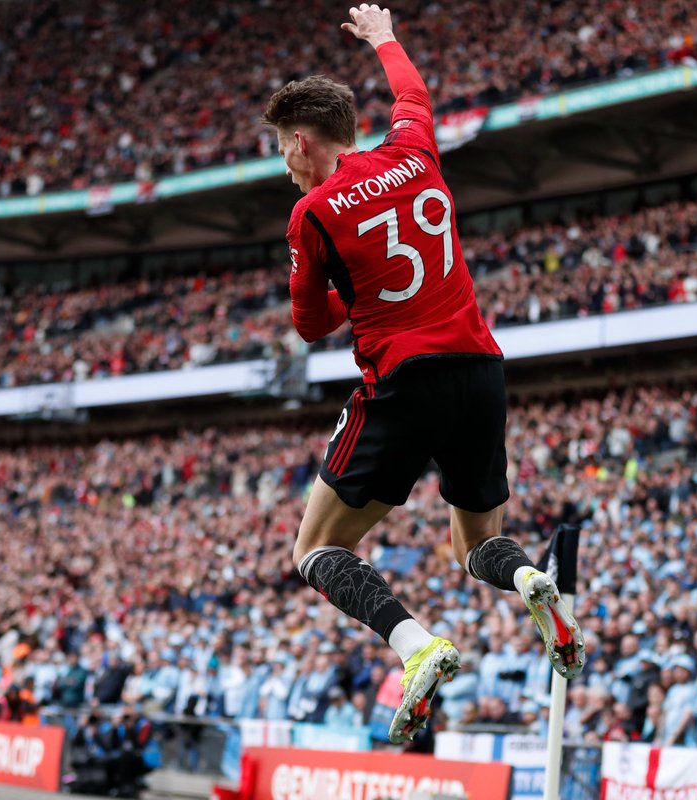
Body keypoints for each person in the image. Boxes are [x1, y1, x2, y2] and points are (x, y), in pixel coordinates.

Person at [262, 3, 585, 744]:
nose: (285, 161)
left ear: (304, 142)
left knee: (315, 549)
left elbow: (311, 326)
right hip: (481, 370)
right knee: (475, 546)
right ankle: (534, 581)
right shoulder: (415, 152)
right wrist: (384, 39)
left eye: (283, 148)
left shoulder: (311, 211)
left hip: (405, 380)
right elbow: (413, 96)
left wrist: (345, 278)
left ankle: (417, 646)